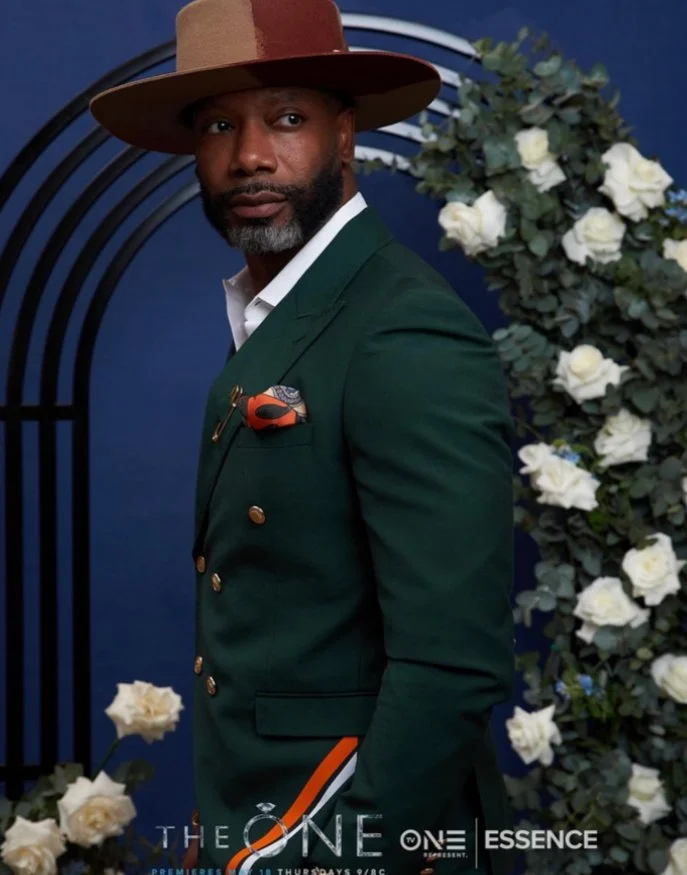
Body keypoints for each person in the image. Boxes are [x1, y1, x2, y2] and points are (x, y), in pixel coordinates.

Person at [90, 1, 516, 873]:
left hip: (350, 831)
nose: (250, 155)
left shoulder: (400, 331)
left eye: (286, 118)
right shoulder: (282, 315)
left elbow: (450, 666)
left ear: (345, 133)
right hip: (257, 812)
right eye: (219, 125)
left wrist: (328, 859)